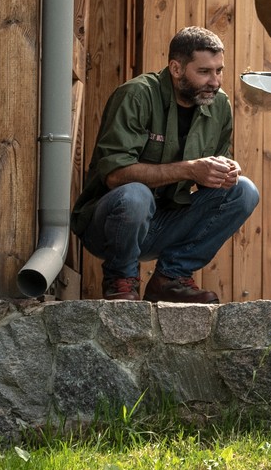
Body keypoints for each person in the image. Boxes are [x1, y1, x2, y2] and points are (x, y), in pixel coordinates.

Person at [71, 26, 258, 302]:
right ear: (176, 68)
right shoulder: (136, 95)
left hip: (166, 223)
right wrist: (190, 168)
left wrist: (225, 173)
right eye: (204, 72)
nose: (215, 82)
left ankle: (171, 277)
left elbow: (213, 173)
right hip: (110, 225)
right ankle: (121, 281)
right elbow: (114, 176)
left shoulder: (219, 106)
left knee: (244, 191)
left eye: (219, 71)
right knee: (136, 194)